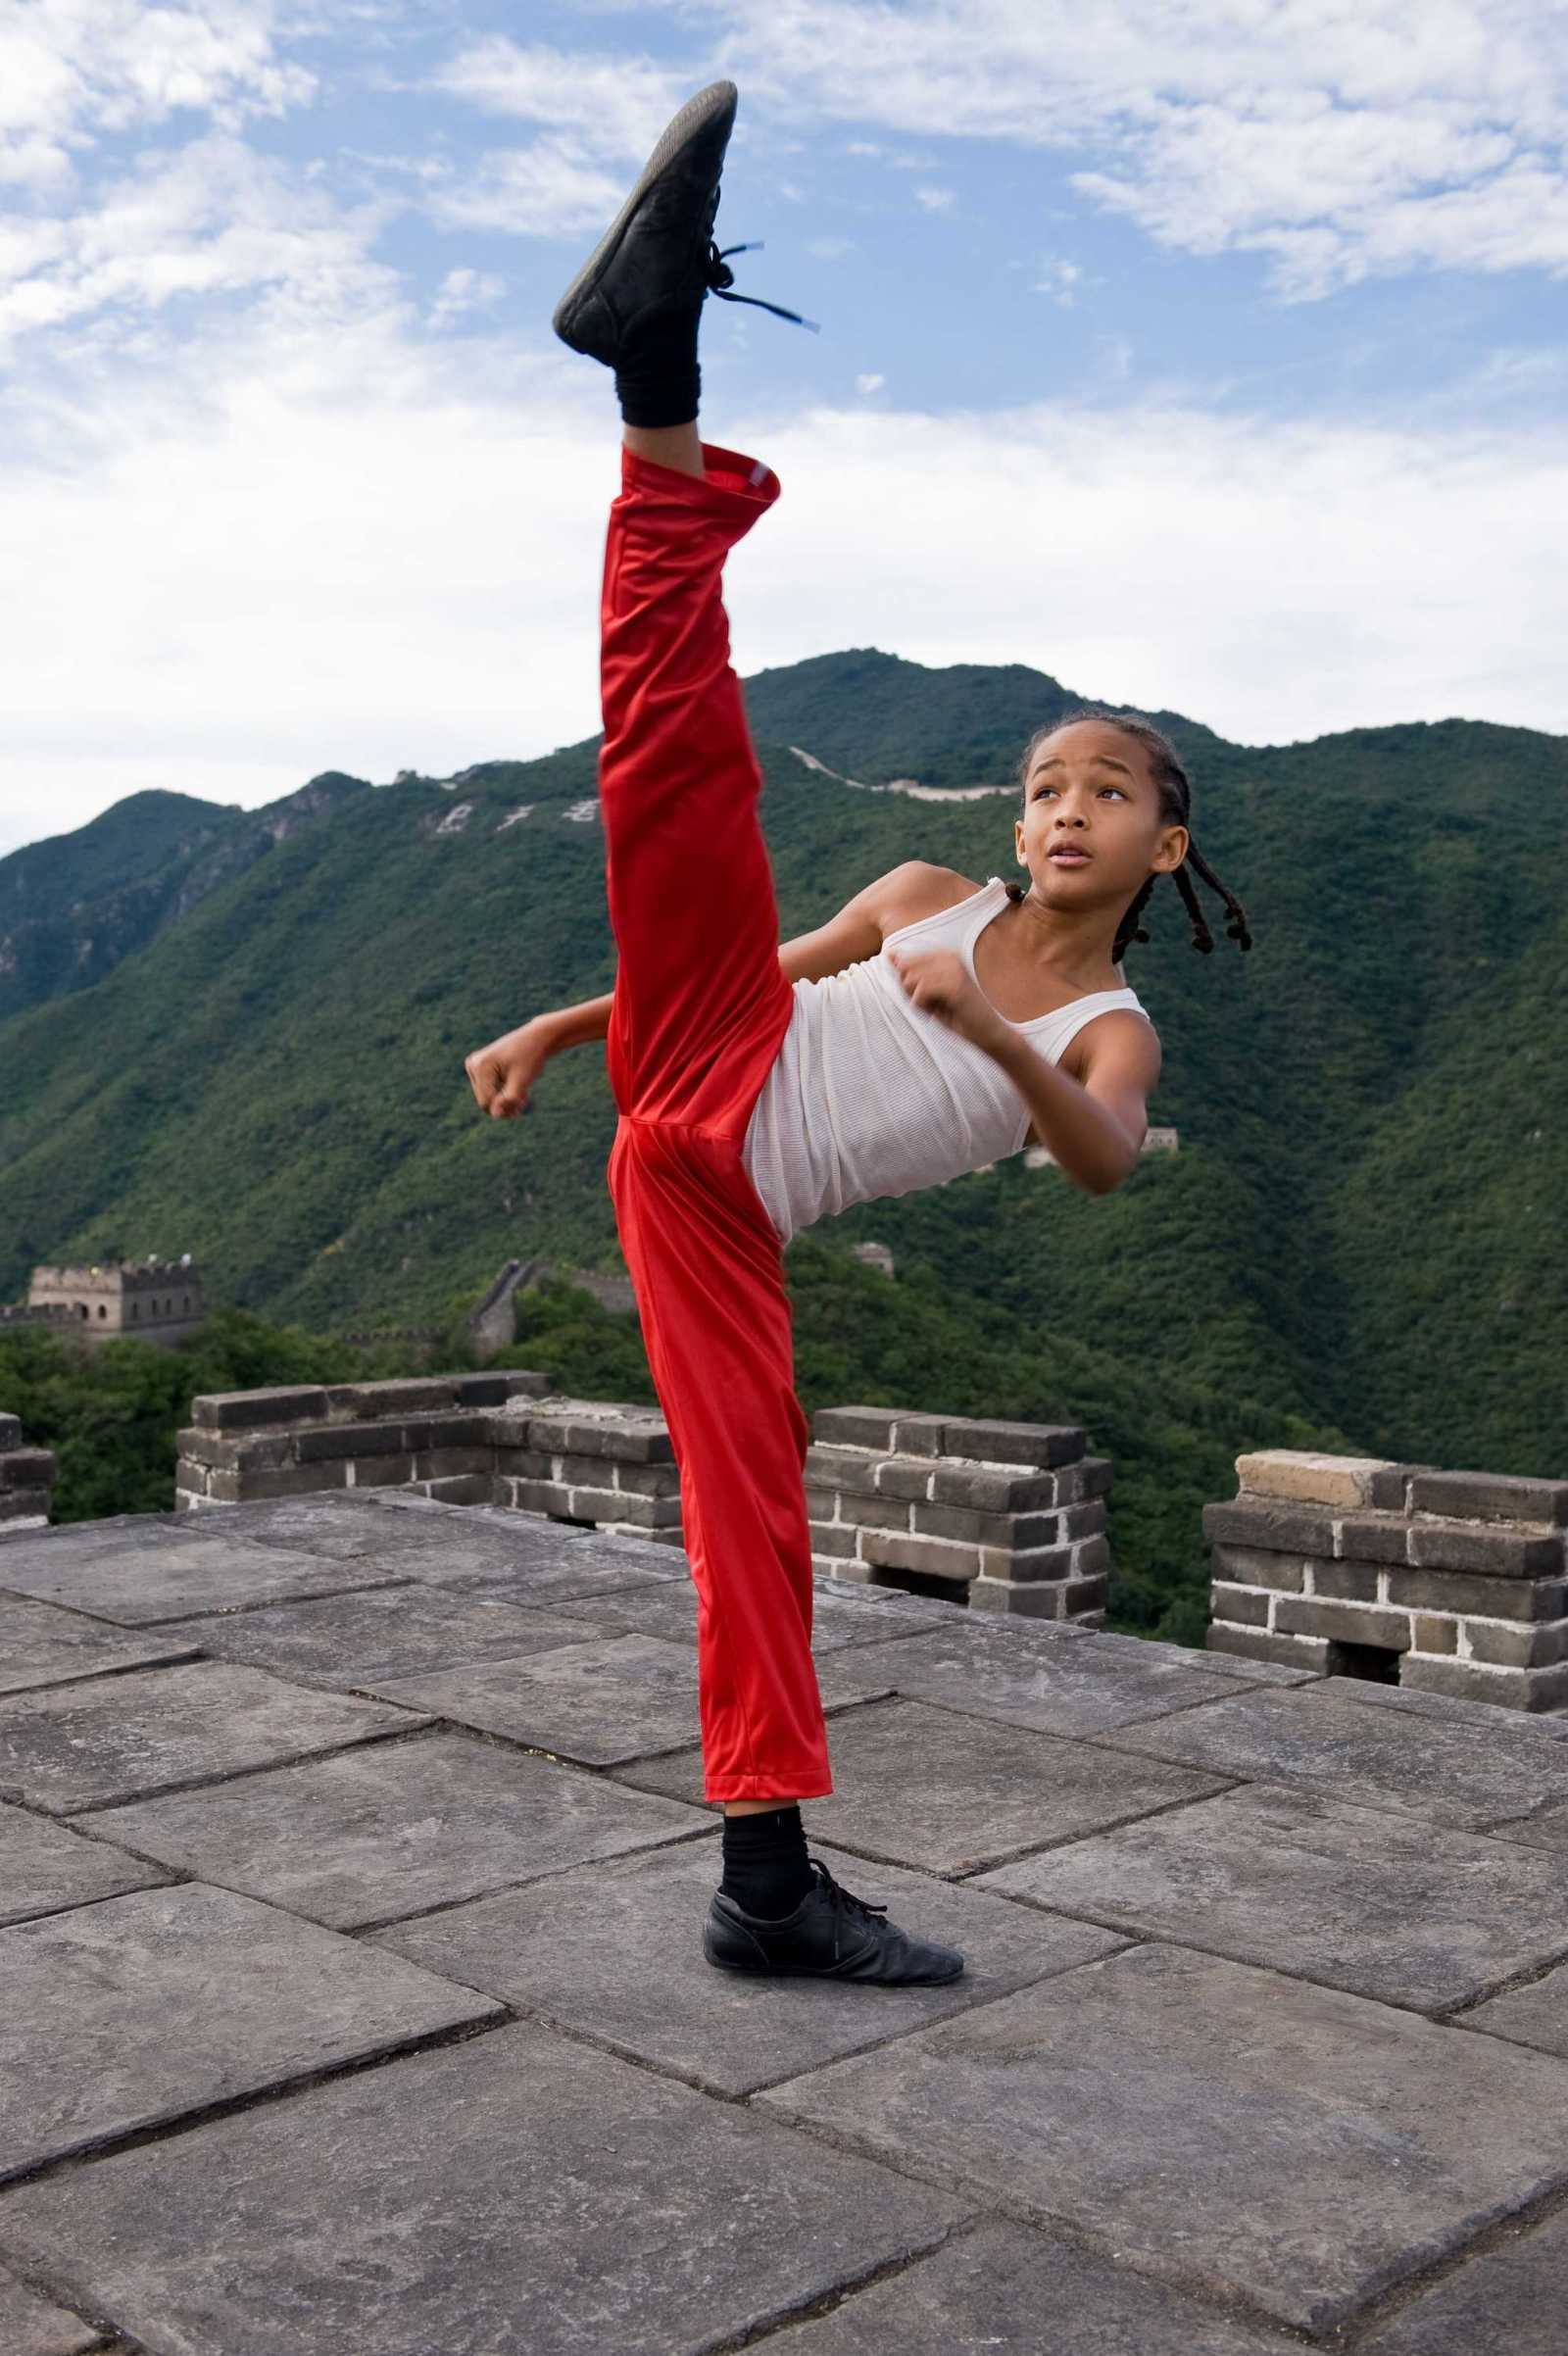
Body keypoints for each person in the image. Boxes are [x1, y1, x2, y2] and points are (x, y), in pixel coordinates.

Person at [465, 80, 1252, 1984]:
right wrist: (564, 1025)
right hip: (705, 1062)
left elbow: (1100, 1158)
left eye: (1108, 791)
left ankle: (764, 1880)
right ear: (1013, 822)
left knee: (750, 1518)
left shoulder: (1111, 1024)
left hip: (720, 1210)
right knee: (677, 767)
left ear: (1163, 844)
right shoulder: (916, 897)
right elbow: (724, 957)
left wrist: (991, 1033)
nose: (1065, 808)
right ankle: (657, 379)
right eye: (1044, 785)